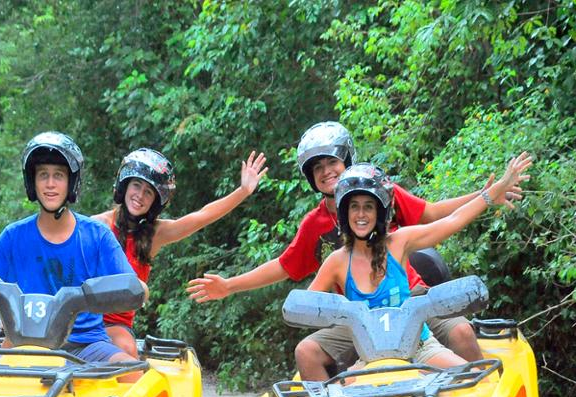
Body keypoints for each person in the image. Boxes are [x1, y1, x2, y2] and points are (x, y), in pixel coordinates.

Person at [186, 121, 526, 379]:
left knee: (463, 340)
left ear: (382, 210)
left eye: (331, 163)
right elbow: (286, 268)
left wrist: (488, 195)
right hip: (357, 317)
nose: (326, 172)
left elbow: (439, 217)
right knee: (313, 357)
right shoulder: (327, 243)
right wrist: (229, 285)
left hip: (412, 302)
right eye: (318, 168)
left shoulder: (389, 208)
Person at [305, 156, 532, 379]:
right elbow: (306, 305)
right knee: (337, 396)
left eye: (369, 207)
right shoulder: (337, 261)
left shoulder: (399, 242)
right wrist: (341, 311)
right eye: (354, 207)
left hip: (421, 348)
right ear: (345, 213)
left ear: (380, 212)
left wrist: (494, 191)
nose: (361, 214)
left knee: (478, 379)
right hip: (370, 358)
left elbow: (452, 220)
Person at [0, 131, 141, 366]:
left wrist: (134, 290)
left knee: (132, 371)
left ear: (71, 182)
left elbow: (135, 290)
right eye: (43, 175)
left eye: (58, 175)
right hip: (24, 344)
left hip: (86, 345)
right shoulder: (13, 236)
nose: (50, 184)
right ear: (33, 182)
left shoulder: (97, 235)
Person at [93, 148, 268, 356]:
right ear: (125, 186)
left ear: (155, 201)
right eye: (136, 185)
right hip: (83, 316)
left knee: (125, 350)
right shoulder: (97, 226)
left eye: (148, 192)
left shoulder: (155, 234)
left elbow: (202, 216)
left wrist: (243, 191)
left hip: (116, 326)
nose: (140, 195)